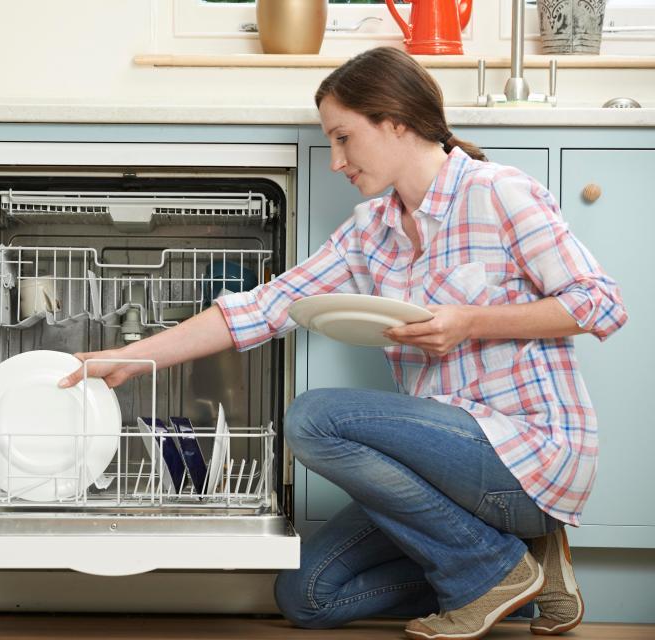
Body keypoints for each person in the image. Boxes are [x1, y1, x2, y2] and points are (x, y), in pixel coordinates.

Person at [58, 47, 627, 640]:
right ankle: (519, 571)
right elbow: (263, 307)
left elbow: (601, 303)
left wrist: (470, 321)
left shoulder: (497, 192)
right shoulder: (370, 231)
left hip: (527, 459)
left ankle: (489, 568)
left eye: (343, 138)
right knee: (306, 596)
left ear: (396, 121)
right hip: (439, 471)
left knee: (315, 419)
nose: (335, 161)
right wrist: (131, 355)